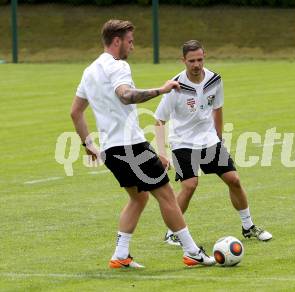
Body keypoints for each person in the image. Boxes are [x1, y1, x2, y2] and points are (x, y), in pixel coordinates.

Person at [70, 20, 216, 268]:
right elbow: (126, 96)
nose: (132, 46)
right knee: (167, 196)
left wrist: (88, 144)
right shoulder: (118, 66)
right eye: (130, 41)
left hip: (111, 150)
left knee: (139, 199)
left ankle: (120, 255)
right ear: (117, 41)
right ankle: (191, 251)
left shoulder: (89, 70)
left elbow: (75, 112)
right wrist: (162, 90)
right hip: (131, 146)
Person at [154, 40, 272, 245]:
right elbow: (159, 119)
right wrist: (161, 152)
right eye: (191, 61)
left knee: (234, 179)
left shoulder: (214, 80)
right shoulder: (175, 86)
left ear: (204, 56)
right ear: (183, 60)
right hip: (182, 141)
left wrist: (219, 136)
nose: (196, 64)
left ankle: (248, 226)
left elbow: (217, 108)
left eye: (199, 59)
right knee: (190, 185)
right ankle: (171, 232)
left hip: (208, 139)